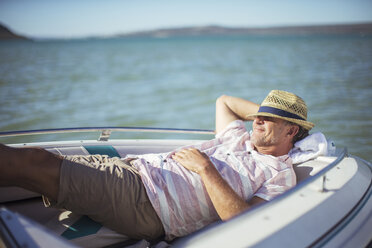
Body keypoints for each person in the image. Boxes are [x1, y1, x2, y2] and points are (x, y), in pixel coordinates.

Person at [0, 90, 314, 241]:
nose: (258, 119)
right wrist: (265, 116)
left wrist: (205, 168)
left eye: (272, 118)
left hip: (146, 201)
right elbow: (224, 102)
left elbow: (243, 220)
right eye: (259, 113)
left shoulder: (279, 173)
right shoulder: (240, 139)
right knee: (36, 162)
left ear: (292, 131)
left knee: (34, 162)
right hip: (135, 171)